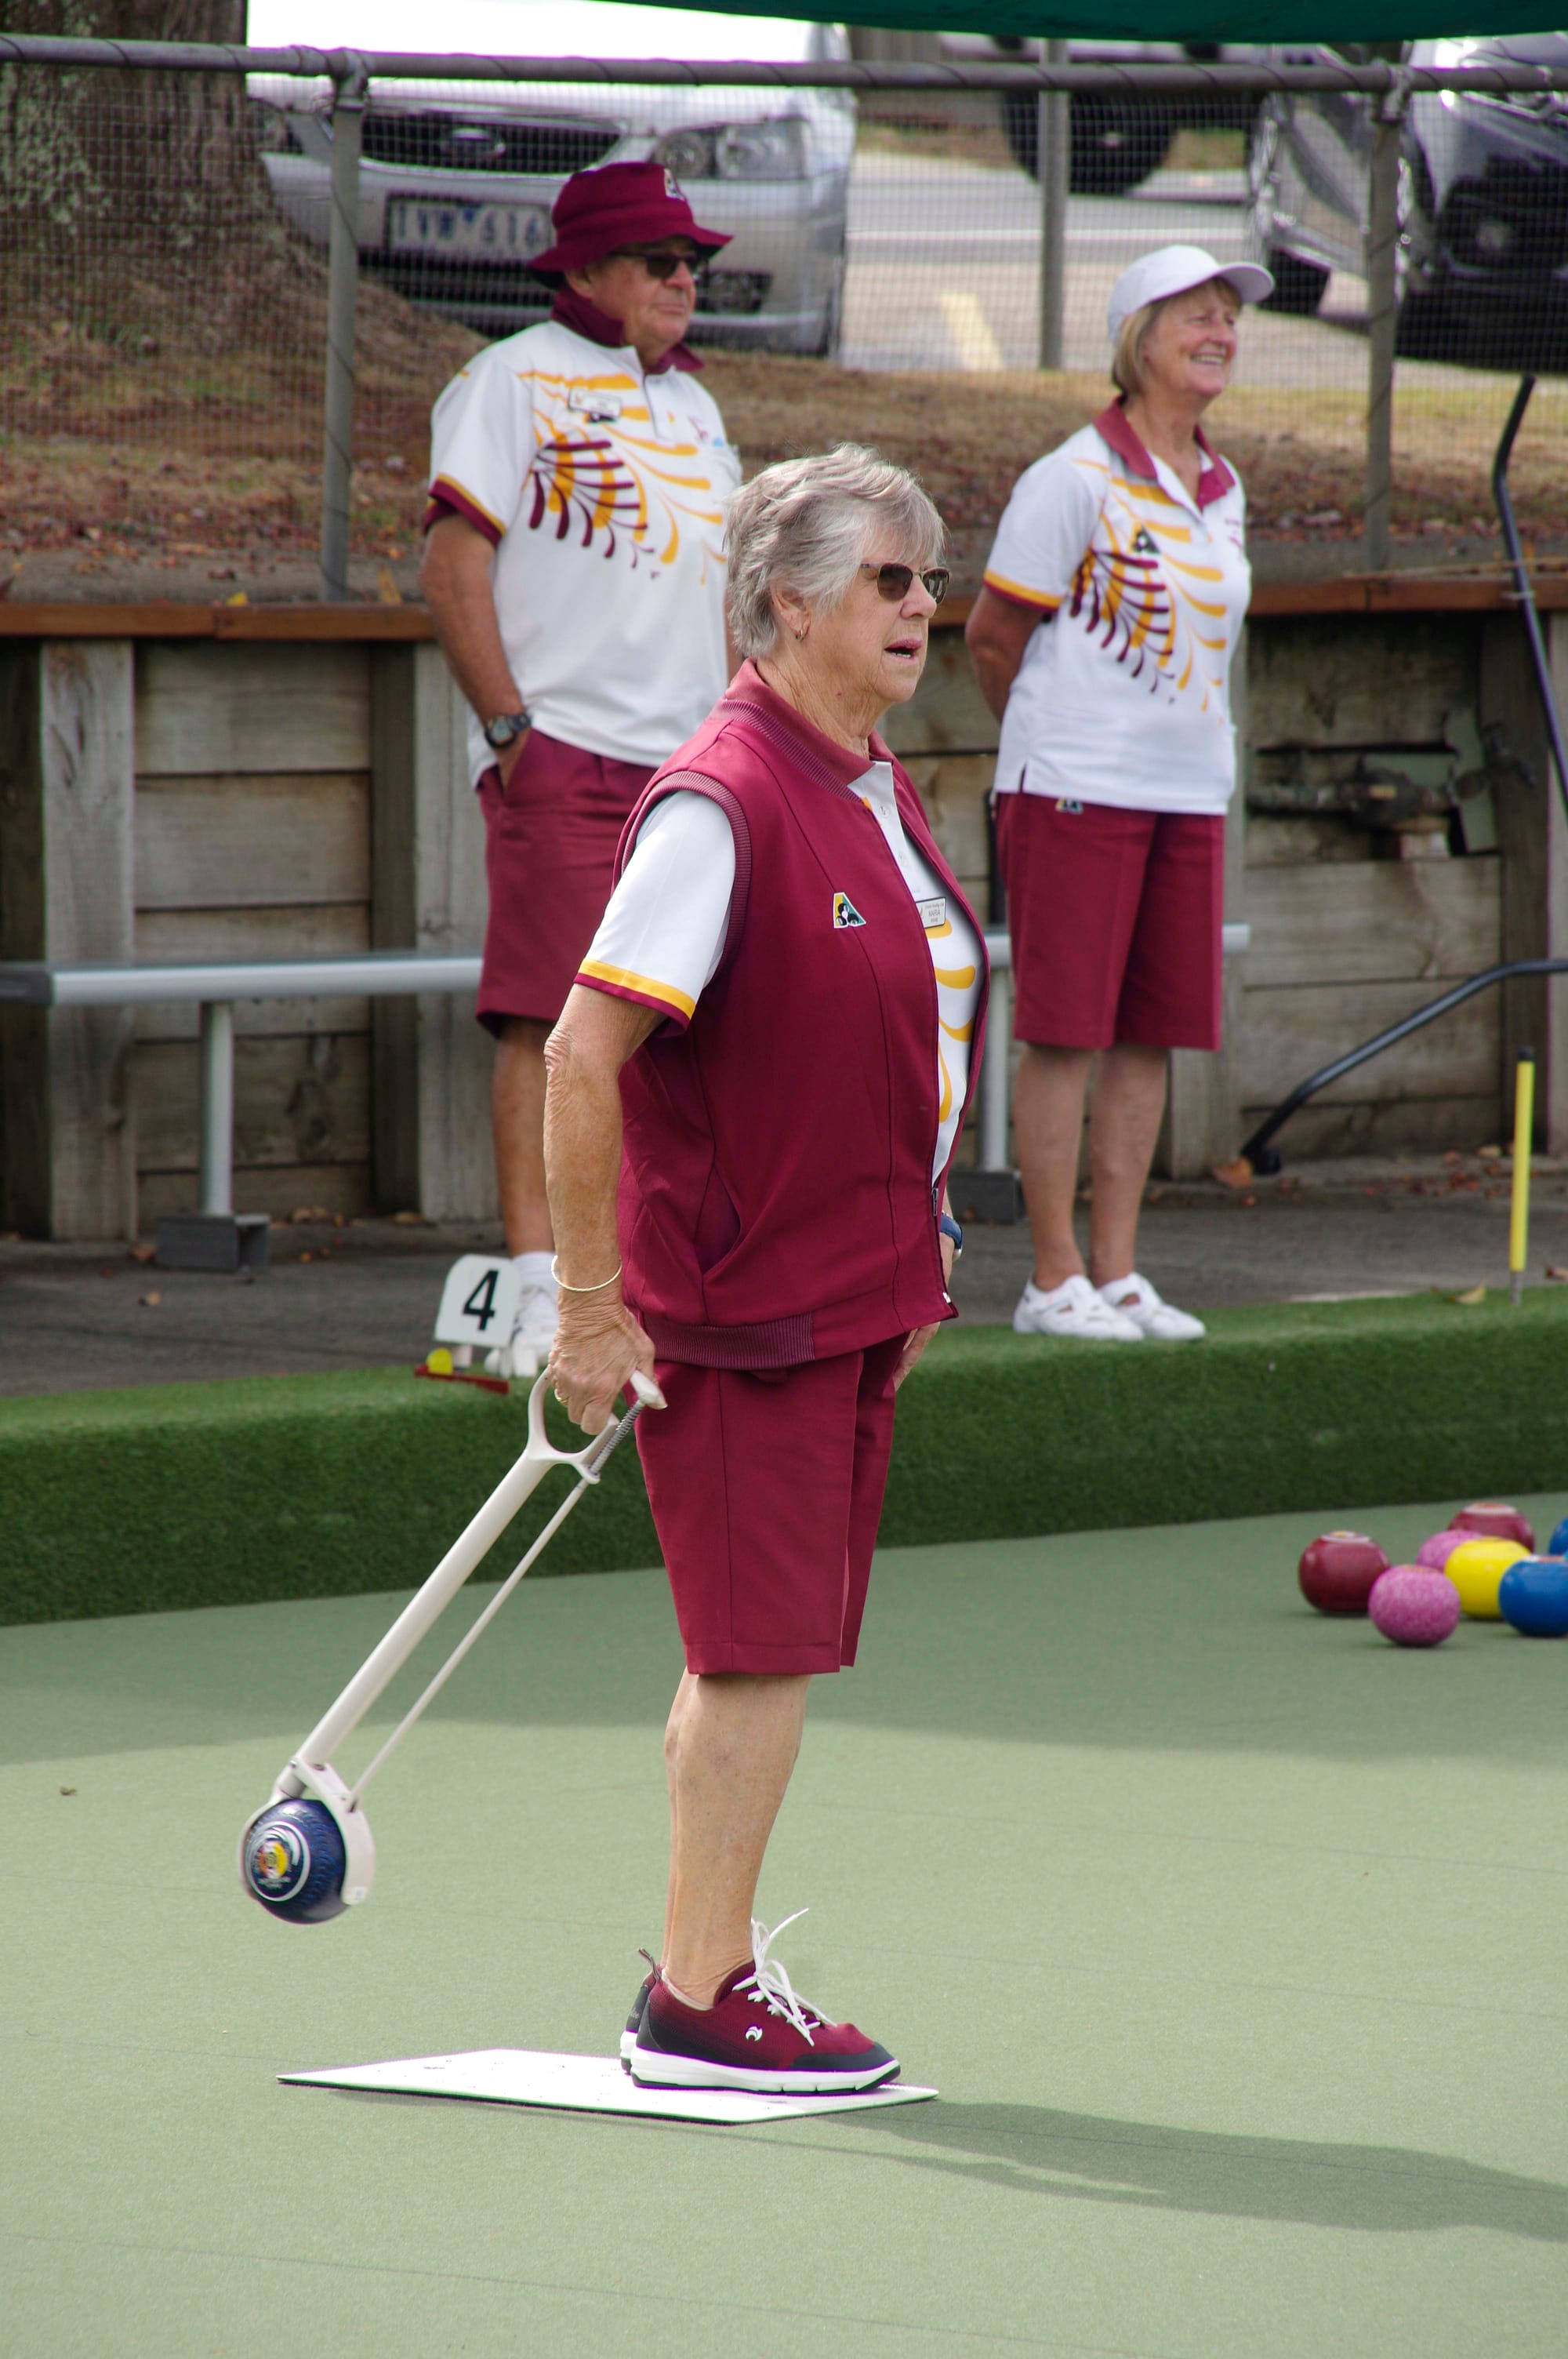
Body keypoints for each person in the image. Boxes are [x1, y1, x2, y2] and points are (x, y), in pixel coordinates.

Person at [542, 446, 987, 2092]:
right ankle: (698, 1998)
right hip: (742, 1310)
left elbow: (880, 1035)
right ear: (786, 606)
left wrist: (919, 1230)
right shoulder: (723, 800)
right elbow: (584, 1060)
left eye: (926, 578)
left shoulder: (862, 775)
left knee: (754, 1647)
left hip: (853, 1289)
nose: (920, 605)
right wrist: (588, 1305)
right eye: (887, 578)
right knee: (754, 1656)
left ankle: (701, 1968)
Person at [420, 161, 741, 1377]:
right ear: (586, 271)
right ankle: (537, 1285)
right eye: (661, 260)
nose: (684, 280)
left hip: (689, 772)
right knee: (546, 1020)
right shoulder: (505, 382)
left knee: (666, 1028)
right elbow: (455, 565)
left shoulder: (700, 410)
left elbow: (727, 593)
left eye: (693, 264)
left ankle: (635, 1278)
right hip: (562, 753)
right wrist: (512, 731)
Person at [965, 244, 1272, 1343]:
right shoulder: (1071, 479)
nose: (1220, 331)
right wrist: (1058, 746)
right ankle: (1052, 1282)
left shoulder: (1226, 488)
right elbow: (993, 639)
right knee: (1065, 1032)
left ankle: (1118, 1272)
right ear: (1138, 338)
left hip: (1187, 794)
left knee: (1149, 1034)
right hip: (1073, 793)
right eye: (1195, 313)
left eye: (1230, 314)